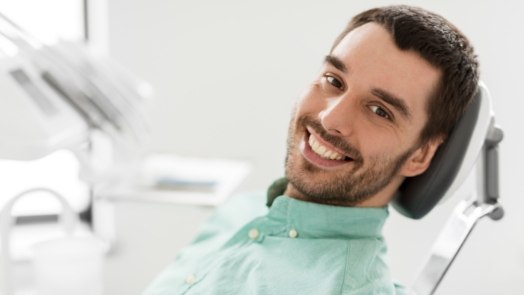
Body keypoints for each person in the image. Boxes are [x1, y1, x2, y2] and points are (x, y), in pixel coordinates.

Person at [143, 5, 479, 295]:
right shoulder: (239, 212)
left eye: (379, 111)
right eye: (334, 81)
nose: (330, 117)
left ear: (420, 155)